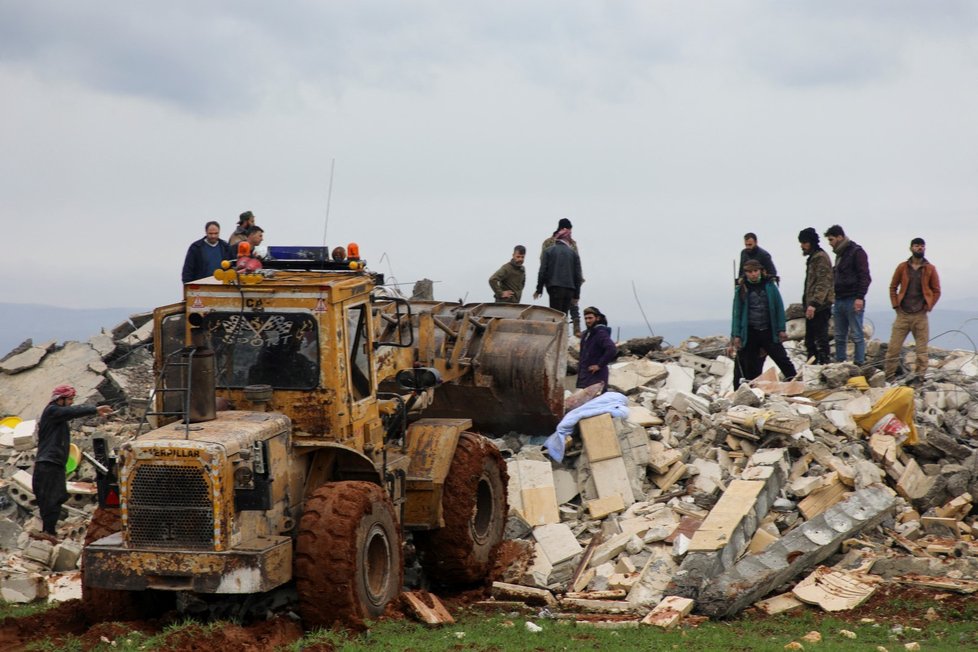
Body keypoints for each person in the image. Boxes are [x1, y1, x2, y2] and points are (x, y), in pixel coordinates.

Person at [32, 385, 113, 543]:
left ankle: (49, 530)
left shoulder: (57, 416)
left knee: (58, 495)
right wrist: (94, 410)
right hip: (48, 463)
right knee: (51, 497)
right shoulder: (52, 411)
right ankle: (48, 531)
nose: (70, 403)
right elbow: (71, 412)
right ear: (59, 400)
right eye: (69, 399)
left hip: (54, 463)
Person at [728, 259, 797, 387]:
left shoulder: (770, 287)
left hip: (768, 330)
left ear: (760, 271)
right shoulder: (742, 289)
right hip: (751, 331)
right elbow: (737, 314)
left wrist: (781, 329)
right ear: (746, 273)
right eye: (750, 272)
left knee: (782, 358)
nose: (753, 274)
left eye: (755, 271)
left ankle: (795, 382)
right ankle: (752, 390)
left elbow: (778, 308)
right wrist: (736, 335)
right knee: (751, 364)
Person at [885, 237, 941, 381]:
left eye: (922, 246)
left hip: (920, 315)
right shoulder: (902, 267)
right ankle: (888, 377)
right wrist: (895, 304)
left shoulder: (930, 269)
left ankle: (919, 378)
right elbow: (893, 287)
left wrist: (929, 306)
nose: (920, 248)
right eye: (917, 246)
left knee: (921, 351)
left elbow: (936, 290)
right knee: (893, 349)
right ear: (911, 248)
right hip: (902, 314)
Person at [824, 225, 871, 365]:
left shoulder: (856, 252)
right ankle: (840, 364)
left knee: (857, 334)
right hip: (839, 299)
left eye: (831, 239)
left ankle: (859, 363)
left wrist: (860, 297)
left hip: (852, 298)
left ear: (839, 237)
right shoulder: (840, 254)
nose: (830, 243)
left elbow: (865, 277)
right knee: (839, 336)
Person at [541, 218, 584, 336]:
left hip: (554, 281)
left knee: (558, 309)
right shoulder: (569, 243)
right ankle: (571, 331)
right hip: (568, 279)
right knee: (570, 305)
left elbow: (543, 262)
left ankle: (566, 331)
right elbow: (576, 262)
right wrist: (578, 279)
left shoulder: (548, 242)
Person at [798, 227, 835, 364]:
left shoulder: (820, 258)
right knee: (810, 341)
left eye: (804, 242)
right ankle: (813, 367)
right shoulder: (814, 258)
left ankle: (823, 366)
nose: (802, 246)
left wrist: (814, 304)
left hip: (820, 307)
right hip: (814, 307)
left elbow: (823, 283)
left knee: (820, 340)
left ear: (811, 242)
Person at [534, 229, 583, 322]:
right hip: (570, 289)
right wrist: (576, 295)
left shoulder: (548, 251)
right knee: (564, 317)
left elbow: (542, 271)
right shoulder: (574, 254)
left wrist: (539, 289)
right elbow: (578, 276)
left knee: (555, 316)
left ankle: (556, 335)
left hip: (554, 288)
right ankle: (562, 334)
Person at [577, 307, 617, 390]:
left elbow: (611, 349)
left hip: (597, 377)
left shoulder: (600, 333)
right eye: (586, 318)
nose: (588, 321)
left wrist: (599, 365)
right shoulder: (588, 334)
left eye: (590, 318)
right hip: (586, 377)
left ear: (597, 318)